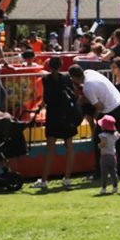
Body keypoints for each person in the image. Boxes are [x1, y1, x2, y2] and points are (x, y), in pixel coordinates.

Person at [68, 64, 120, 180]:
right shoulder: (90, 72)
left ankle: (99, 172)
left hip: (109, 108)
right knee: (117, 137)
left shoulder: (88, 88)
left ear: (73, 78)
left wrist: (97, 120)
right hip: (118, 102)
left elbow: (99, 107)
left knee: (98, 139)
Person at [31, 56, 80, 189]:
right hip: (65, 115)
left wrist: (39, 107)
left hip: (53, 115)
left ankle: (44, 179)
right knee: (69, 146)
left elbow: (46, 98)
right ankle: (67, 178)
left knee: (50, 148)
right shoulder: (66, 78)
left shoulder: (46, 79)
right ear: (61, 65)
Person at [96, 115, 120, 195]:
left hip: (105, 156)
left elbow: (103, 144)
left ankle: (104, 188)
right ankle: (115, 187)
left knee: (104, 173)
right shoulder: (115, 135)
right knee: (113, 172)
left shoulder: (103, 135)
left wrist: (99, 145)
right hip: (113, 156)